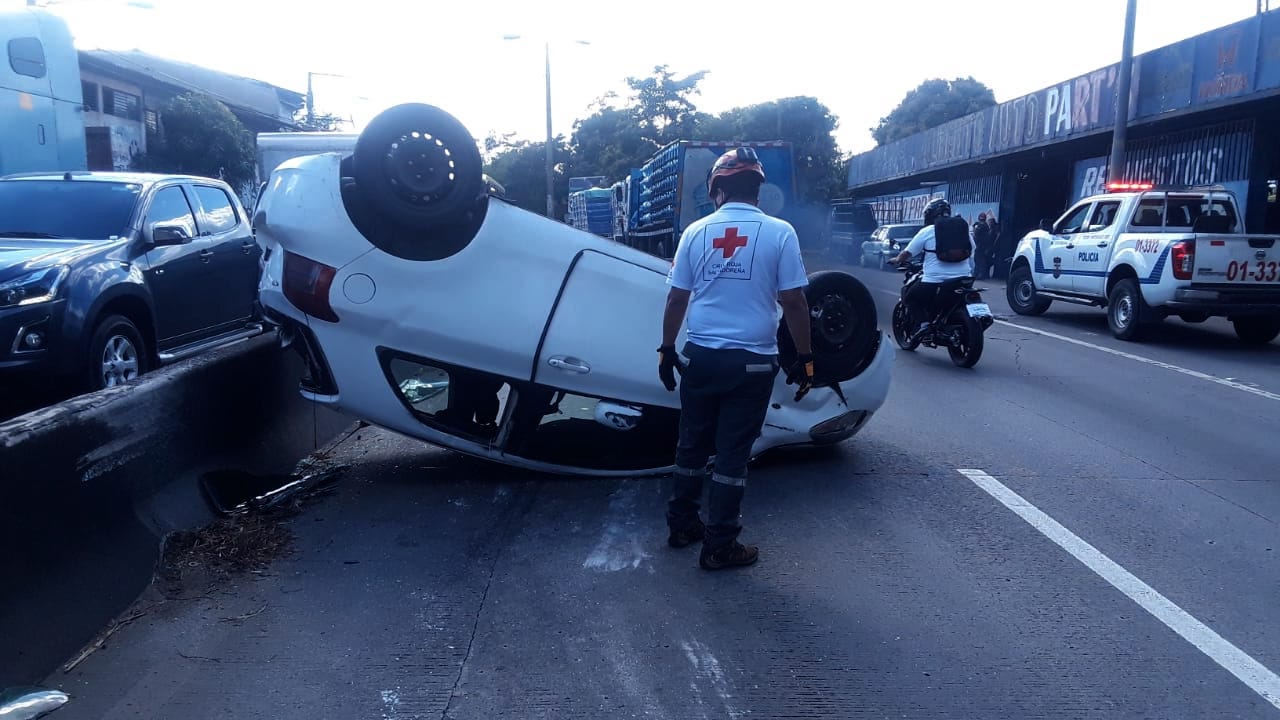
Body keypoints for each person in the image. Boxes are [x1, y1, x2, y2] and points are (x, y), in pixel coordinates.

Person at [656, 146, 814, 572]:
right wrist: (806, 356)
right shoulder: (780, 232)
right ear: (757, 190)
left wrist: (667, 349)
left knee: (691, 445)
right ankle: (720, 544)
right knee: (731, 455)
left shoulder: (695, 232)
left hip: (701, 357)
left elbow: (676, 299)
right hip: (753, 363)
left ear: (716, 189)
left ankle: (682, 525)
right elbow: (794, 302)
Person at [889, 198, 976, 340]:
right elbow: (973, 251)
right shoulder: (963, 229)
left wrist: (897, 260)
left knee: (910, 298)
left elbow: (908, 253)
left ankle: (924, 325)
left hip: (934, 280)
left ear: (930, 214)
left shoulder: (928, 231)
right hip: (964, 278)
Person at [972, 212, 993, 280]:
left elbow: (976, 234)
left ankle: (979, 274)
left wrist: (975, 227)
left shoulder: (982, 225)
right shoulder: (985, 225)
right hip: (982, 245)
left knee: (979, 260)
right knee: (980, 260)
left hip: (980, 245)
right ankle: (978, 274)